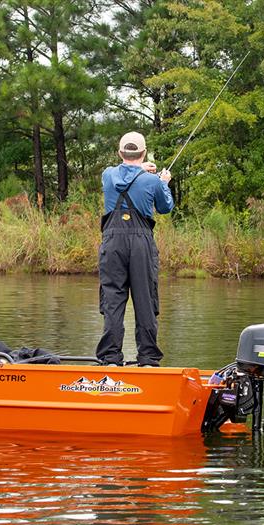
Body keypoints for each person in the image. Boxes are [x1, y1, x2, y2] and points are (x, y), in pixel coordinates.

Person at [96, 131, 173, 367]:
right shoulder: (152, 181)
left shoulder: (108, 175)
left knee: (112, 300)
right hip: (141, 244)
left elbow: (124, 172)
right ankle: (148, 359)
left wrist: (141, 169)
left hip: (112, 242)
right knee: (145, 300)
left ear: (120, 153)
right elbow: (165, 207)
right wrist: (164, 183)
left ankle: (110, 358)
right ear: (144, 153)